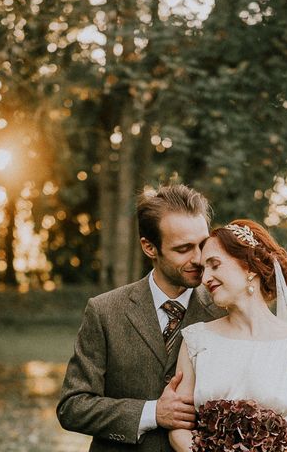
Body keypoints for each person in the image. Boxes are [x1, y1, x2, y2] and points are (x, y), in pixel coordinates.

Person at [57, 184, 226, 452]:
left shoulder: (224, 311)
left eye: (203, 245)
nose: (198, 258)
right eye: (183, 249)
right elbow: (72, 407)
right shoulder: (104, 311)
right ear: (149, 247)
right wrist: (151, 413)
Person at [169, 219, 287, 452]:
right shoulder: (196, 340)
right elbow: (178, 428)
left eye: (214, 265)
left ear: (250, 266)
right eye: (203, 269)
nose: (205, 279)